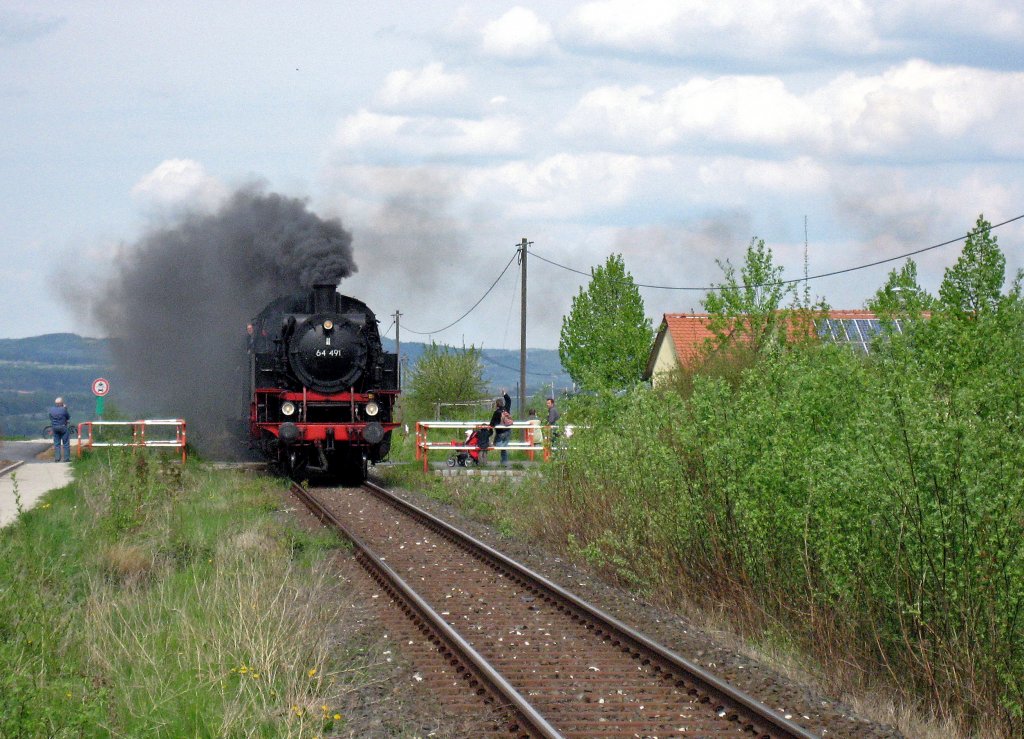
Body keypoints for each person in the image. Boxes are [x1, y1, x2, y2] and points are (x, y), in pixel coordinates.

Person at [48, 396, 71, 462]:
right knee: (66, 443)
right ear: (61, 403)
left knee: (57, 444)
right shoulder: (63, 409)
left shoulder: (52, 409)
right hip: (63, 427)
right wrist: (65, 408)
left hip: (55, 428)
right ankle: (66, 458)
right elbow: (68, 417)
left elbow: (50, 417)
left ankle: (57, 458)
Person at [489, 397, 511, 466]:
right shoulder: (506, 409)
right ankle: (504, 462)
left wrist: (490, 431)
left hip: (500, 433)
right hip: (508, 431)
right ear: (502, 403)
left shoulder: (496, 412)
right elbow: (509, 400)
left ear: (496, 405)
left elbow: (492, 423)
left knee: (497, 444)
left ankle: (504, 462)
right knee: (504, 448)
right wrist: (505, 394)